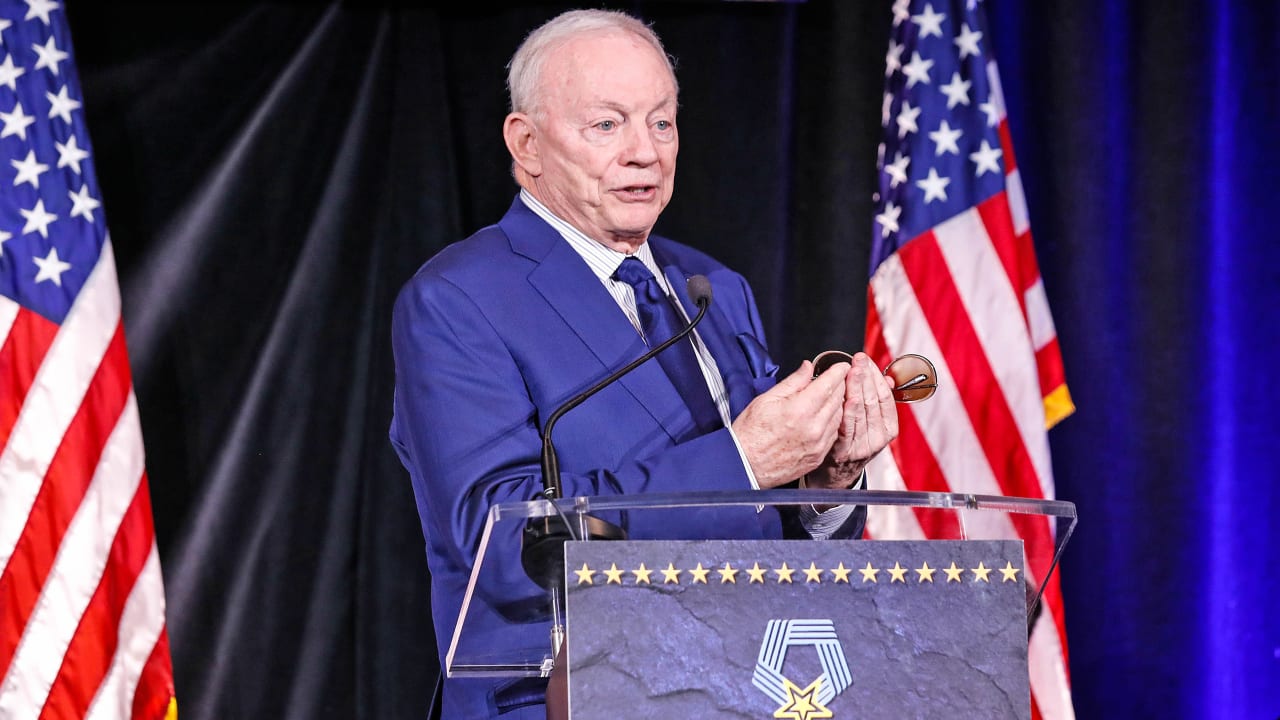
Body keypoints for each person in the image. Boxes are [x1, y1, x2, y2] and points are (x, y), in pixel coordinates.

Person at [389, 9, 898, 719]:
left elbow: (764, 529)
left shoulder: (714, 290)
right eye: (608, 124)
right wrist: (743, 462)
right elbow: (498, 547)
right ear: (526, 143)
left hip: (746, 691)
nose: (645, 153)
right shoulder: (458, 300)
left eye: (662, 123)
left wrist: (823, 485)